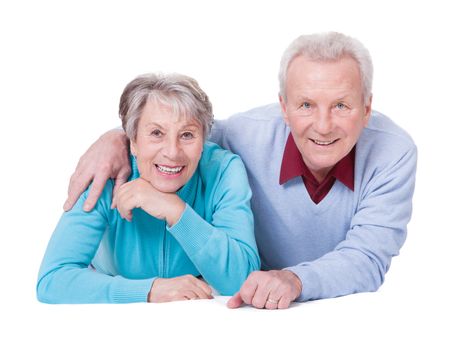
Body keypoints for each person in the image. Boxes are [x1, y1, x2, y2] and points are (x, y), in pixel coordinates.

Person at [63, 32, 417, 309]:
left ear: (367, 107)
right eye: (306, 104)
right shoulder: (246, 133)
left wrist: (294, 280)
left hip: (335, 313)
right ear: (283, 106)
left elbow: (368, 259)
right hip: (245, 308)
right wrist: (113, 139)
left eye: (341, 105)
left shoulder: (393, 153)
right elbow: (179, 132)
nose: (323, 126)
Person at [37, 73, 260, 303]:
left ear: (203, 141)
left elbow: (243, 279)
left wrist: (176, 212)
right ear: (132, 140)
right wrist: (150, 290)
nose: (172, 152)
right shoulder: (107, 171)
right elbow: (53, 279)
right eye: (156, 133)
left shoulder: (224, 170)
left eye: (187, 135)